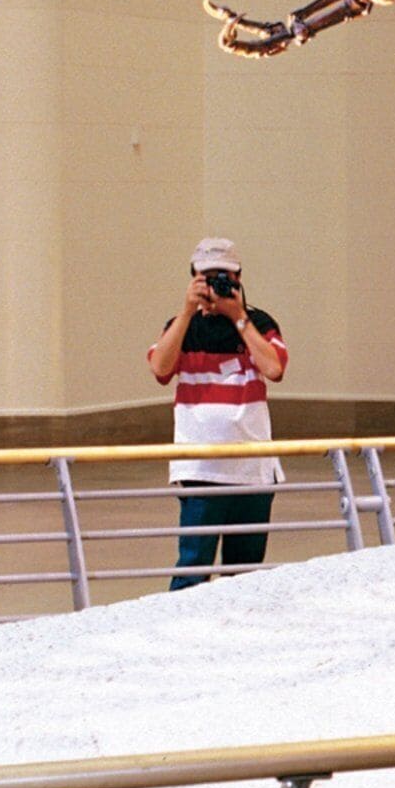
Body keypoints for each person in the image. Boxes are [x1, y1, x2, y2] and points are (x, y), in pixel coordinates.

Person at [147, 236, 288, 588]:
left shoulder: (260, 323)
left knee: (245, 575)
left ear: (239, 278)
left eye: (224, 277)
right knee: (193, 567)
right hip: (201, 468)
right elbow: (161, 369)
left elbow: (274, 369)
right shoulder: (181, 327)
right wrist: (186, 311)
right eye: (207, 277)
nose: (216, 285)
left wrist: (239, 317)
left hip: (253, 470)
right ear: (193, 277)